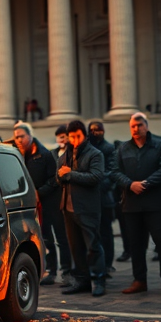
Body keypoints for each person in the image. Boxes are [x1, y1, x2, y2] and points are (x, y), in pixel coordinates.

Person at [110, 113, 161, 296]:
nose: (136, 129)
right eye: (132, 126)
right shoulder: (123, 149)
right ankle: (139, 280)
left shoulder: (159, 146)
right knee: (136, 245)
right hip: (132, 204)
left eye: (139, 125)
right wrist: (130, 184)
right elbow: (115, 171)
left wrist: (146, 183)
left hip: (155, 203)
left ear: (146, 126)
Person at [57, 120, 106, 297]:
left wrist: (70, 174)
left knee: (93, 245)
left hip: (87, 207)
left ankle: (98, 280)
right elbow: (59, 177)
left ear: (84, 135)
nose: (75, 140)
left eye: (78, 136)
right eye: (72, 137)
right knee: (75, 247)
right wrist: (61, 175)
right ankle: (82, 280)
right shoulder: (65, 155)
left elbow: (96, 177)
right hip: (68, 207)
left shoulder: (95, 154)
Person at [13, 122, 58, 284]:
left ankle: (53, 270)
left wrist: (40, 192)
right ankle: (41, 269)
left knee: (47, 237)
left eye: (21, 136)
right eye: (16, 137)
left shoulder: (44, 155)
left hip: (45, 203)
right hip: (27, 203)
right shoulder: (17, 154)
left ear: (30, 136)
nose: (18, 140)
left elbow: (54, 179)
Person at [88, 120, 117, 271]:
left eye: (98, 129)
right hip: (91, 200)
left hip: (104, 199)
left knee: (106, 233)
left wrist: (96, 184)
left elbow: (112, 172)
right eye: (92, 130)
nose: (95, 132)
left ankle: (108, 263)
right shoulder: (88, 149)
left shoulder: (109, 148)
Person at [48, 125, 72, 283]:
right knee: (48, 239)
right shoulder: (52, 154)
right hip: (51, 201)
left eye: (64, 136)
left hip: (66, 201)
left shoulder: (72, 153)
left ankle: (67, 270)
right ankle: (51, 270)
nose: (62, 140)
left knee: (63, 239)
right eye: (59, 137)